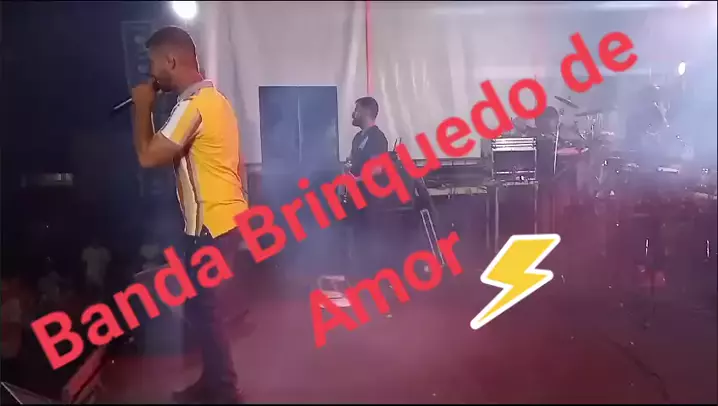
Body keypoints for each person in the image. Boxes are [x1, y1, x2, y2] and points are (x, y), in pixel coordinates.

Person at [130, 26, 247, 403]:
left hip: (210, 227)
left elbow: (148, 156)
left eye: (152, 62)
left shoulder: (191, 106)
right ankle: (215, 382)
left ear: (171, 60)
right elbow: (239, 164)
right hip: (224, 222)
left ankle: (224, 390)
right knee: (202, 309)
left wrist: (143, 107)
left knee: (206, 311)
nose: (151, 72)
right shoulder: (218, 101)